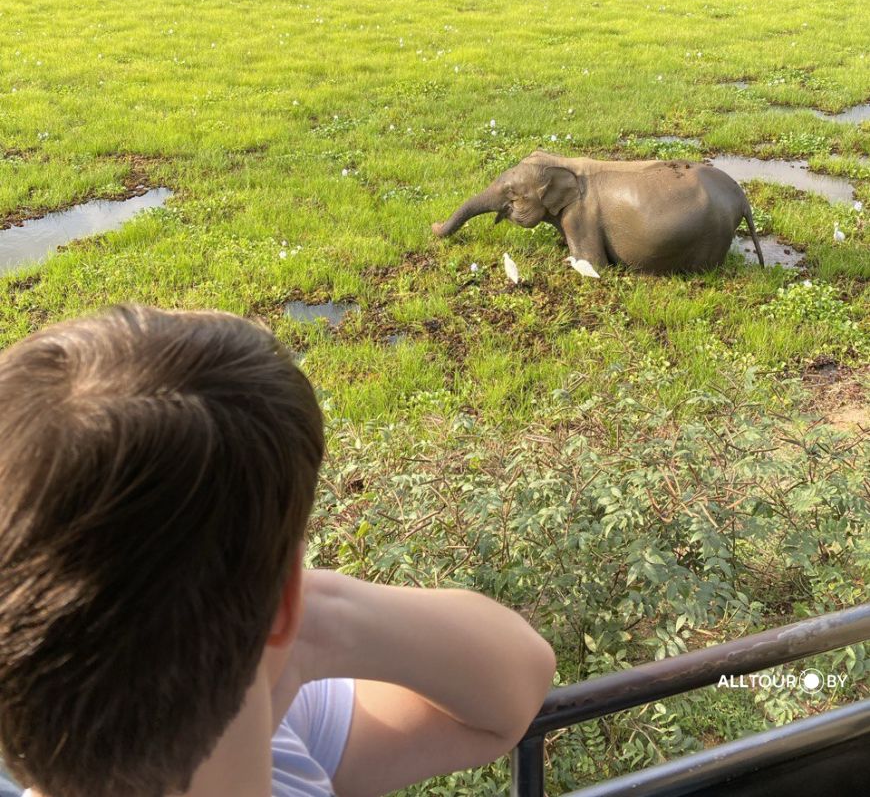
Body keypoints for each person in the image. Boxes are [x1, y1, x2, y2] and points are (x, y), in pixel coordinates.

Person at [0, 305, 555, 797]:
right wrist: (307, 613)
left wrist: (290, 623)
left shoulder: (269, 732)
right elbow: (510, 702)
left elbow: (518, 682)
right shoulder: (269, 744)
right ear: (289, 598)